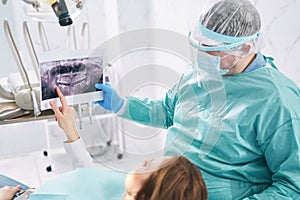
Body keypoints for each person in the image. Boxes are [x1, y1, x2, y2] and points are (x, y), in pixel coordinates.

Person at [94, 0, 300, 199]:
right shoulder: (200, 73)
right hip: (166, 191)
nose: (202, 54)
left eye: (211, 49)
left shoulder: (277, 101)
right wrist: (121, 105)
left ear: (244, 48)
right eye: (200, 45)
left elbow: (293, 184)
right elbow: (168, 111)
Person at [0, 87, 208, 200]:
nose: (144, 161)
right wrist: (70, 129)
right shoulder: (126, 187)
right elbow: (90, 179)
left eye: (148, 166)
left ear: (145, 194)